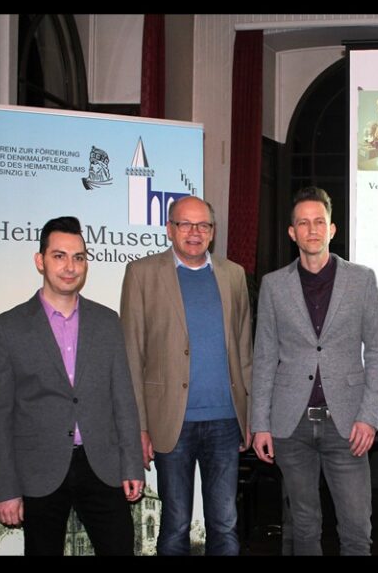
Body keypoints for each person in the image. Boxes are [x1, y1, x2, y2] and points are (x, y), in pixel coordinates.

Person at [0, 216, 144, 556]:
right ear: (40, 260)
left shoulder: (107, 322)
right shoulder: (8, 328)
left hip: (101, 465)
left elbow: (123, 400)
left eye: (79, 257)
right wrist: (6, 489)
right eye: (59, 256)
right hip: (39, 469)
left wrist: (131, 465)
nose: (70, 267)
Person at [251, 187, 378, 555]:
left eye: (319, 222)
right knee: (303, 529)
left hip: (347, 426)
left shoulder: (361, 280)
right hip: (290, 426)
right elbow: (263, 356)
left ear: (332, 229)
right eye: (303, 223)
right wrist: (259, 423)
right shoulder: (274, 285)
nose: (312, 229)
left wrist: (369, 418)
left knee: (357, 530)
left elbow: (376, 352)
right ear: (292, 232)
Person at [120, 196, 252, 556]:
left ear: (213, 231)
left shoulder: (234, 275)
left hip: (225, 422)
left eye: (203, 225)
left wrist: (249, 416)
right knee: (175, 526)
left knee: (225, 526)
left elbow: (244, 349)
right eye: (185, 224)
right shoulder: (142, 274)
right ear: (170, 229)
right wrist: (140, 427)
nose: (195, 232)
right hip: (170, 423)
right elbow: (132, 355)